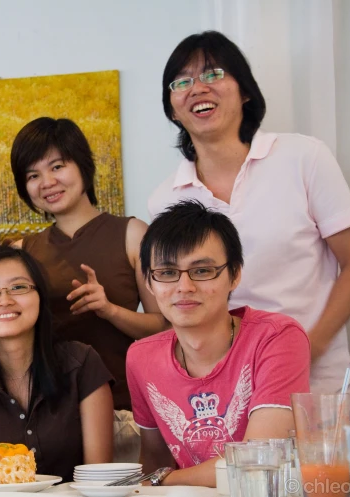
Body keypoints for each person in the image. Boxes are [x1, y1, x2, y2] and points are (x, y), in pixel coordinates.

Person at [148, 31, 350, 414]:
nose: (197, 88)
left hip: (315, 394)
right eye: (181, 81)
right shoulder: (165, 199)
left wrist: (306, 349)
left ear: (245, 92)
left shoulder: (304, 157)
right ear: (172, 109)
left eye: (213, 74)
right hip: (221, 404)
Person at [9, 117, 164, 461]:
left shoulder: (133, 234)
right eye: (33, 175)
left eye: (57, 166)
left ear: (83, 165)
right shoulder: (22, 252)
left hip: (124, 413)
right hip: (48, 421)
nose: (46, 182)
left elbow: (165, 327)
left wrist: (110, 310)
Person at [127, 200, 310, 487]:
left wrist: (164, 480)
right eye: (167, 272)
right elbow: (154, 463)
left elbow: (260, 462)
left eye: (202, 271)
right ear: (149, 283)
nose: (184, 287)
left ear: (235, 274)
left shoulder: (276, 337)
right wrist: (160, 480)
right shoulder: (141, 357)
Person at [0, 247, 114, 482]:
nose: (5, 300)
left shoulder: (81, 364)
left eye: (18, 287)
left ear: (40, 296)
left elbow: (99, 477)